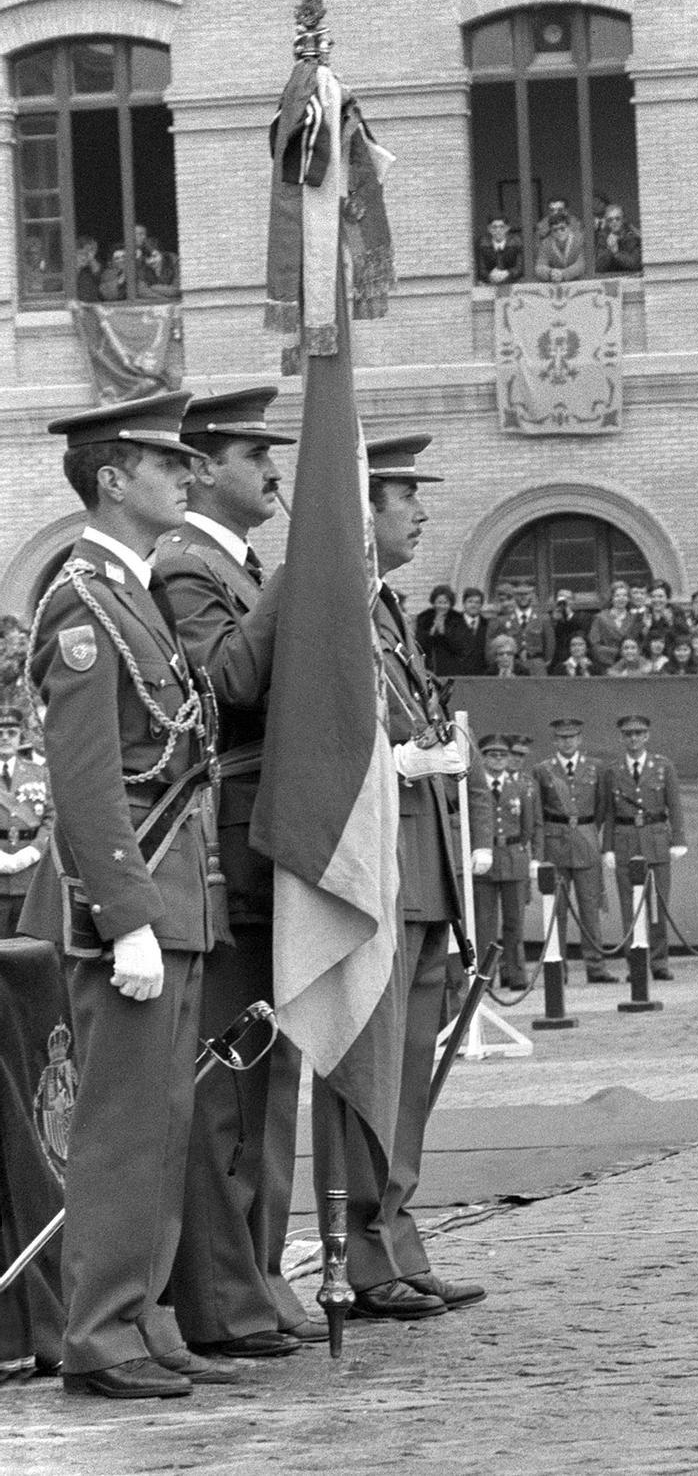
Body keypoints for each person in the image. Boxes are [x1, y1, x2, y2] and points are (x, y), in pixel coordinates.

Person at [20, 392, 218, 1397]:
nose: (187, 474)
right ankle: (96, 1331)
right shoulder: (84, 603)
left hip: (176, 888)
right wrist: (127, 917)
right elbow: (90, 776)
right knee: (120, 1125)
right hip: (132, 907)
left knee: (166, 1120)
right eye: (166, 461)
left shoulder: (134, 593)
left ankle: (143, 1309)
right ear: (112, 477)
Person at [157, 386, 320, 1359]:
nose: (273, 469)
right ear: (203, 466)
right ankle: (223, 1292)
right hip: (228, 843)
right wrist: (301, 584)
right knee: (228, 1076)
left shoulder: (244, 568)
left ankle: (258, 1273)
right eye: (254, 452)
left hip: (272, 838)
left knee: (270, 1072)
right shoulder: (187, 566)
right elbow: (220, 686)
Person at [317, 431, 489, 1325]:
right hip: (374, 868)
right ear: (363, 510)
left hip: (420, 868)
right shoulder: (336, 607)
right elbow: (325, 745)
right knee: (372, 1072)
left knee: (410, 1073)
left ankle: (398, 1235)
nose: (421, 513)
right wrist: (402, 764)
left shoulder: (386, 609)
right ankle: (360, 1251)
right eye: (403, 498)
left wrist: (436, 750)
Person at [603, 715, 686, 982]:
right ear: (621, 738)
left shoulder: (663, 767)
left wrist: (679, 840)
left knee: (657, 906)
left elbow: (674, 805)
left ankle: (659, 962)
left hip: (656, 841)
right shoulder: (613, 771)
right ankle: (636, 962)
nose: (634, 739)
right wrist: (608, 849)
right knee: (630, 908)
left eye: (639, 734)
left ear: (647, 736)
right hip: (625, 841)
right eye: (628, 734)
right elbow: (608, 812)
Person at [533, 718, 616, 984]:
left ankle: (596, 966)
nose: (567, 742)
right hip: (555, 844)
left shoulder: (596, 768)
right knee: (556, 909)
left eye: (572, 737)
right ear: (554, 741)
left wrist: (589, 831)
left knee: (590, 908)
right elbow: (539, 811)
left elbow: (603, 807)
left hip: (586, 841)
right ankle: (558, 968)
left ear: (580, 739)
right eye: (562, 738)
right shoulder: (543, 770)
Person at [475, 736, 539, 989]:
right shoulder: (476, 788)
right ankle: (486, 978)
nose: (498, 760)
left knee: (514, 923)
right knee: (485, 924)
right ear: (483, 758)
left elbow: (528, 827)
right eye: (492, 755)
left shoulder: (521, 788)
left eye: (502, 755)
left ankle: (516, 975)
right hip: (486, 860)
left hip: (513, 858)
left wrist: (528, 856)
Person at [0, 707, 52, 938]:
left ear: (20, 735)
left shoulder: (39, 774)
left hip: (29, 877)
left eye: (10, 732)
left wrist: (32, 852)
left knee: (26, 953)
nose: (4, 738)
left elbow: (52, 818)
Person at [494, 579, 555, 674]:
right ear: (514, 596)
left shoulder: (543, 618)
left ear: (531, 595)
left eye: (526, 594)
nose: (523, 597)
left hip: (537, 664)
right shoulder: (504, 620)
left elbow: (550, 644)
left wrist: (543, 662)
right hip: (514, 664)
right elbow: (500, 645)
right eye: (519, 594)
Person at [414, 584, 471, 678]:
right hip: (429, 666)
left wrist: (443, 633)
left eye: (445, 603)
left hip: (451, 667)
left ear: (450, 604)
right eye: (439, 602)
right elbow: (419, 643)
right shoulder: (425, 618)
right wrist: (431, 633)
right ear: (434, 603)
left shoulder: (457, 619)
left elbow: (461, 646)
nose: (442, 606)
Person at [588, 580, 635, 670]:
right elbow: (594, 644)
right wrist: (617, 653)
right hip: (606, 665)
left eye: (624, 595)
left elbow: (638, 643)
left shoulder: (634, 619)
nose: (621, 599)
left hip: (630, 665)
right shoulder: (600, 618)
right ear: (611, 598)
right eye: (617, 596)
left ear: (629, 598)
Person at [449, 586, 491, 676]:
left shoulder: (487, 625)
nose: (473, 605)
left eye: (477, 602)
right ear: (464, 603)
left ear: (481, 605)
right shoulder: (452, 625)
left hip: (482, 676)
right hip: (459, 676)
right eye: (470, 601)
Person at [534, 210, 586, 282]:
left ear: (568, 227)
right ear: (551, 232)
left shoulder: (579, 240)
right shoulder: (546, 244)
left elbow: (582, 263)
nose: (559, 232)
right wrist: (550, 273)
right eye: (555, 230)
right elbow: (539, 267)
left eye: (562, 228)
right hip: (555, 283)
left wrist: (563, 274)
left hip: (581, 282)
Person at [594, 204, 642, 275]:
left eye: (617, 218)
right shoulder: (603, 238)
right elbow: (598, 268)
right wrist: (609, 250)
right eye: (610, 220)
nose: (614, 222)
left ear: (623, 220)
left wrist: (616, 253)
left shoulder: (633, 237)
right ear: (607, 222)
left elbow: (635, 265)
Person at [476, 215, 523, 286]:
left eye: (502, 227)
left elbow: (520, 268)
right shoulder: (482, 246)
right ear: (489, 229)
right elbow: (481, 270)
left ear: (507, 228)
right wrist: (490, 276)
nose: (498, 230)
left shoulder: (516, 244)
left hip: (513, 284)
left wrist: (507, 273)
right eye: (494, 227)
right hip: (490, 284)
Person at [549, 587, 592, 654]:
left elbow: (583, 630)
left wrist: (569, 614)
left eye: (568, 599)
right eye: (562, 598)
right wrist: (554, 620)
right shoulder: (549, 616)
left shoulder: (583, 616)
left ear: (574, 601)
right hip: (557, 655)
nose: (565, 601)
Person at [74, 236, 103, 303]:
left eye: (86, 254)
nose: (84, 257)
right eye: (81, 254)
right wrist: (78, 267)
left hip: (92, 303)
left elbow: (98, 273)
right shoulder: (69, 268)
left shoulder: (93, 265)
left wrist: (90, 258)